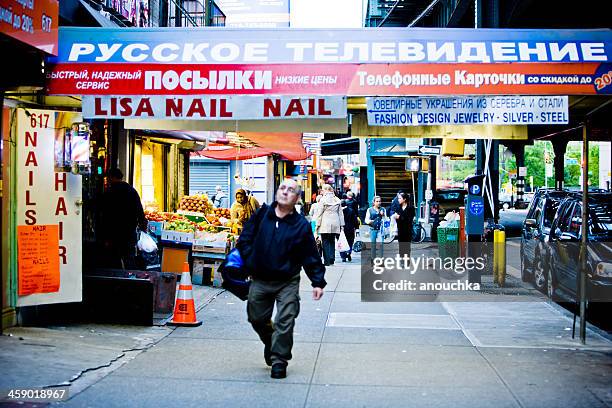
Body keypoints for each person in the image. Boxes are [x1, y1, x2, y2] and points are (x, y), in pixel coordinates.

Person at [236, 179, 326, 379]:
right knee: (256, 318)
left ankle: (279, 360)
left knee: (285, 319)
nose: (285, 192)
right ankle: (271, 341)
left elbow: (310, 255)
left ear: (297, 198)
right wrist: (251, 262)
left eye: (291, 190)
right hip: (260, 278)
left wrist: (317, 281)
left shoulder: (301, 225)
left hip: (287, 280)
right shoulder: (262, 216)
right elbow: (245, 240)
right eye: (282, 188)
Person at [100, 168, 147, 269]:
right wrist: (143, 226)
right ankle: (131, 280)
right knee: (129, 258)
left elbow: (105, 214)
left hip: (114, 233)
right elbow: (140, 211)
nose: (107, 180)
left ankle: (118, 280)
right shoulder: (132, 191)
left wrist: (105, 235)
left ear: (112, 177)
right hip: (129, 232)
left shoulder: (109, 192)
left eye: (108, 178)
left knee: (114, 259)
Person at [315, 184, 344, 266]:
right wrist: (342, 225)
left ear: (325, 190)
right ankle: (332, 259)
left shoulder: (323, 199)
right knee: (332, 240)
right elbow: (340, 213)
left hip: (325, 222)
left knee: (325, 241)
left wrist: (317, 225)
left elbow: (319, 213)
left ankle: (327, 261)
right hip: (335, 221)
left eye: (322, 190)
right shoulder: (337, 199)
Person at [392, 192, 416, 257]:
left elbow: (410, 219)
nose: (398, 200)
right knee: (401, 246)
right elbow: (397, 218)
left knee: (407, 246)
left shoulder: (410, 208)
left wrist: (400, 217)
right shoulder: (398, 207)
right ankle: (402, 260)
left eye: (400, 198)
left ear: (404, 199)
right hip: (400, 230)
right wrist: (396, 217)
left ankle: (407, 260)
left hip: (407, 230)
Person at [365, 196, 386, 260]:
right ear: (373, 202)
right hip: (372, 229)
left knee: (381, 245)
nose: (378, 203)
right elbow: (366, 220)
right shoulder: (370, 209)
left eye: (379, 201)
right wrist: (370, 221)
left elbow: (386, 220)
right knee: (373, 245)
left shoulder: (383, 209)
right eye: (377, 201)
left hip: (380, 230)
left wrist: (383, 215)